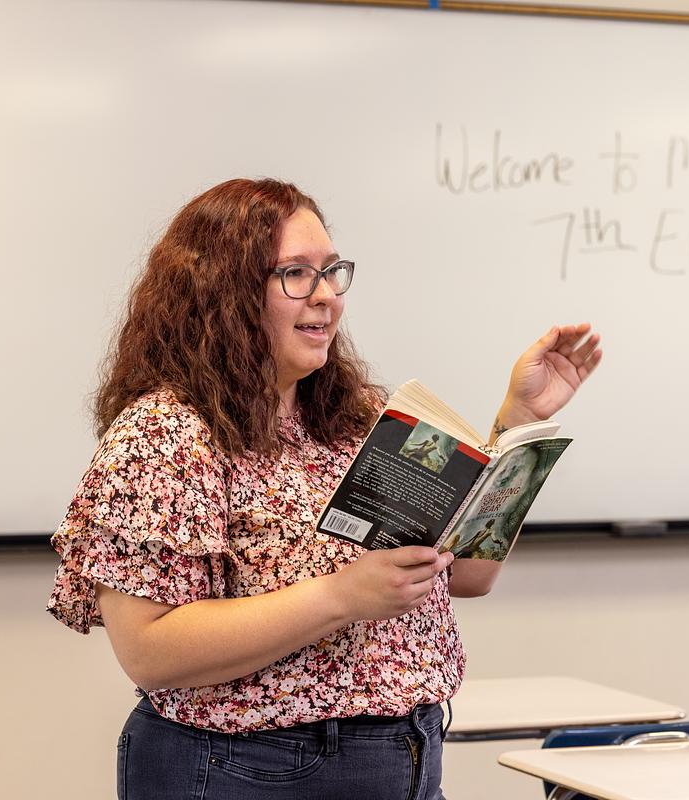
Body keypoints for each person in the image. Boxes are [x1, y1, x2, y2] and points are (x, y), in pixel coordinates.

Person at [46, 178, 602, 800]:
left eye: (333, 272)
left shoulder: (356, 414)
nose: (328, 296)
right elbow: (149, 650)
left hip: (407, 758)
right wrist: (339, 597)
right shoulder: (165, 433)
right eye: (297, 274)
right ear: (220, 292)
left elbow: (467, 576)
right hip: (246, 773)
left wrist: (517, 426)